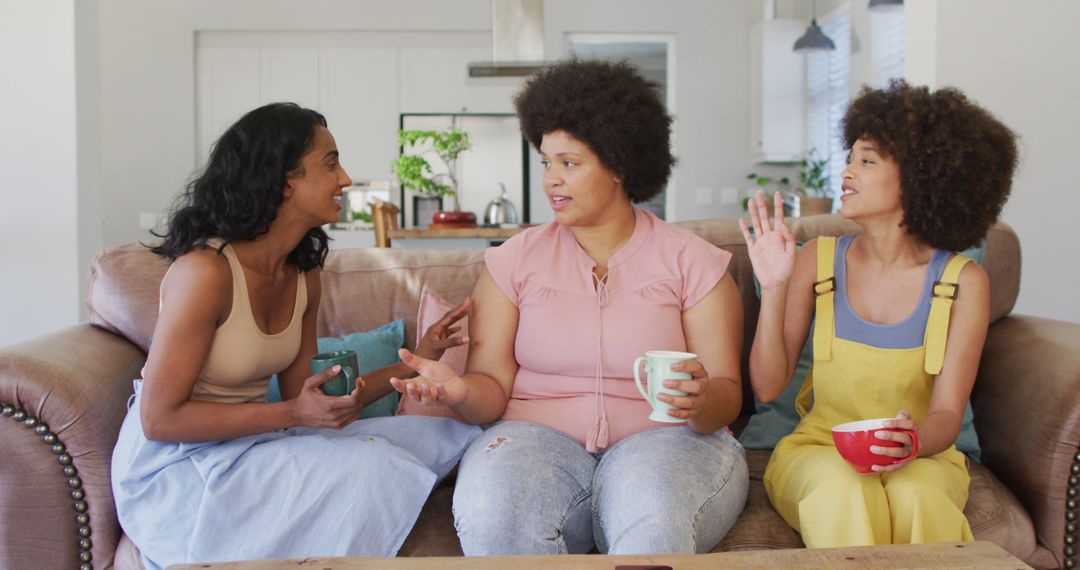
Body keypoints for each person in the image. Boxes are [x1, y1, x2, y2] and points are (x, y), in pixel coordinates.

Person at [388, 58, 749, 555]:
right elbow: (491, 390)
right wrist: (457, 392)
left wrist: (703, 401)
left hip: (667, 440)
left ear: (619, 165)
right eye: (546, 162)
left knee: (652, 520)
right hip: (535, 438)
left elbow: (728, 393)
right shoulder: (511, 262)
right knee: (497, 516)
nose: (551, 180)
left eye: (570, 163)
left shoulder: (694, 263)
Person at [110, 102, 481, 570]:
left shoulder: (302, 275)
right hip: (176, 466)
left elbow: (314, 401)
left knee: (445, 433)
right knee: (373, 468)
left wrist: (419, 358)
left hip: (252, 443)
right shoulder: (205, 273)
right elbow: (159, 420)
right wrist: (290, 412)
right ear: (285, 179)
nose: (345, 179)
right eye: (330, 163)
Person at [739, 79, 1018, 547]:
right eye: (850, 158)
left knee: (918, 496)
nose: (847, 171)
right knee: (843, 491)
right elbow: (768, 385)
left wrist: (914, 443)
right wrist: (775, 286)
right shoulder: (815, 261)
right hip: (819, 451)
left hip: (925, 457)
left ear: (921, 176)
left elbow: (948, 412)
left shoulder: (963, 281)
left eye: (866, 160)